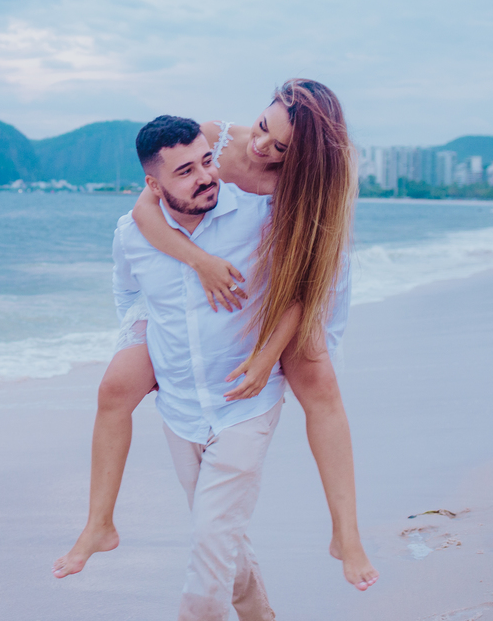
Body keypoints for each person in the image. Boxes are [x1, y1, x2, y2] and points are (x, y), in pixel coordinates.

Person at [53, 80, 379, 592]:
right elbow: (144, 212)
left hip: (291, 283)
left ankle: (347, 534)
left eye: (281, 149)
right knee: (115, 387)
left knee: (318, 382)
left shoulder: (308, 183)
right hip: (199, 264)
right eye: (266, 127)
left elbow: (300, 284)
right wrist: (200, 263)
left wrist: (266, 356)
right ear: (268, 106)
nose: (263, 148)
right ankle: (99, 524)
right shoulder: (212, 138)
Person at [112, 115, 299, 620]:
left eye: (206, 162)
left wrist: (265, 359)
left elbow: (301, 288)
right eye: (185, 172)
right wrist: (142, 351)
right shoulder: (133, 233)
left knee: (207, 556)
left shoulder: (259, 214)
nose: (205, 177)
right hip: (179, 410)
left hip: (245, 403)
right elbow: (129, 295)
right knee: (222, 541)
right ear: (154, 185)